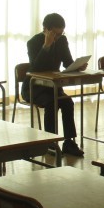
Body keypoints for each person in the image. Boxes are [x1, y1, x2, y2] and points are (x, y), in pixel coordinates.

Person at [21, 13, 84, 157]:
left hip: (53, 87)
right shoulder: (33, 42)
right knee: (52, 103)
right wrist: (46, 46)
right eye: (55, 34)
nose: (58, 37)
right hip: (34, 87)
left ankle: (69, 142)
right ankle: (50, 143)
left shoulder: (62, 40)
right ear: (46, 29)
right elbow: (36, 67)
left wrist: (77, 66)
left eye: (61, 33)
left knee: (67, 102)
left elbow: (67, 62)